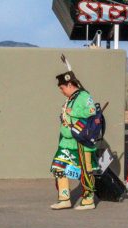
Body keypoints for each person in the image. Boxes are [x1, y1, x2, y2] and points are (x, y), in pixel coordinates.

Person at [50, 71, 98, 210]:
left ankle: (89, 200)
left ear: (69, 84)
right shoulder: (71, 98)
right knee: (58, 167)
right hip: (66, 141)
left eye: (62, 88)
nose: (61, 91)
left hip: (81, 140)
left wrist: (73, 113)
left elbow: (91, 111)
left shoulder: (84, 96)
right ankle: (64, 199)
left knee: (86, 170)